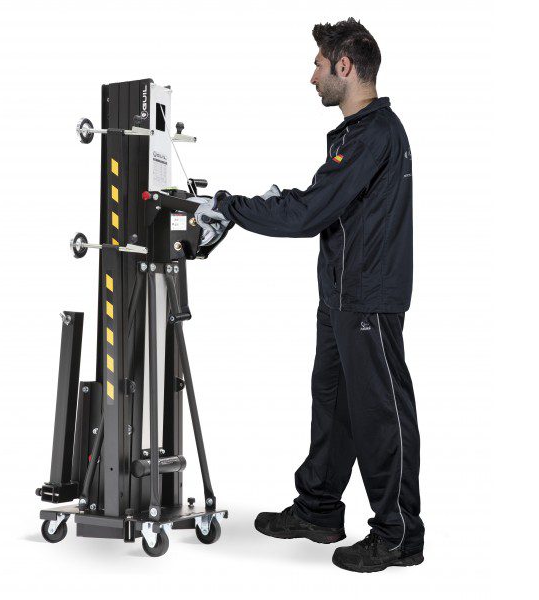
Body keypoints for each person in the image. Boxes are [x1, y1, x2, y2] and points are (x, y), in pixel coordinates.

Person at [196, 18, 424, 573]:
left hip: (367, 297)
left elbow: (309, 214)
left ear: (345, 66)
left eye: (319, 65)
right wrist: (248, 205)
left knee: (380, 413)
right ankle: (320, 509)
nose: (312, 76)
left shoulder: (374, 134)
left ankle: (399, 534)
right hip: (341, 293)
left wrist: (232, 207)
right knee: (333, 401)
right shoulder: (357, 135)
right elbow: (322, 201)